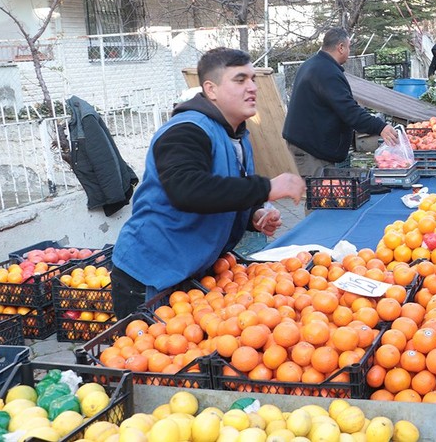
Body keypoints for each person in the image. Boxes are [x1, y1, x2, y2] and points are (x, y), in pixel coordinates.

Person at [111, 48, 305, 317]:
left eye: (253, 79)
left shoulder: (236, 135)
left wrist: (253, 214)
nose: (252, 87)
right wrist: (267, 187)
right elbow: (188, 190)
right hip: (151, 275)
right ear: (210, 89)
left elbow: (221, 189)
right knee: (155, 354)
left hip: (192, 270)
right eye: (240, 80)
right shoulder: (185, 131)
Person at [283, 27, 399, 177]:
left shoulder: (314, 64)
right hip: (310, 149)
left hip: (310, 144)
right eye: (349, 47)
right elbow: (349, 111)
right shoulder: (326, 72)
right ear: (341, 47)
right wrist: (380, 127)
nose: (349, 53)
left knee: (322, 193)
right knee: (319, 194)